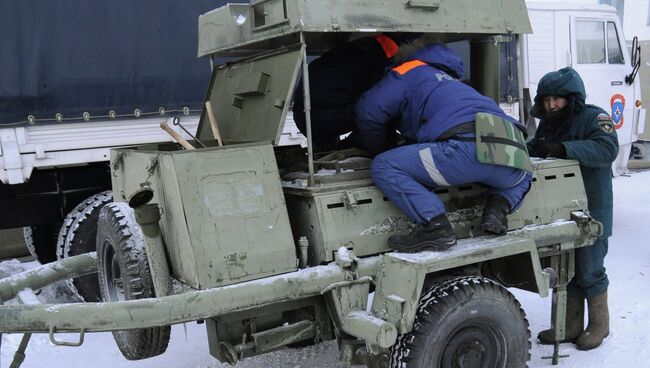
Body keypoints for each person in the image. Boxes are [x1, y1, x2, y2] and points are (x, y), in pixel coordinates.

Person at [355, 42, 533, 252]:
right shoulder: (454, 83)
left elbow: (368, 111)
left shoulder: (409, 70)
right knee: (523, 175)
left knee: (384, 165)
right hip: (514, 149)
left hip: (465, 150)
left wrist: (379, 147)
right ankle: (498, 208)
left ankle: (434, 227)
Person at [528, 67, 618, 350]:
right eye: (546, 100)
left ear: (572, 98)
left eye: (557, 99)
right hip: (559, 211)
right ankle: (568, 327)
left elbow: (606, 149)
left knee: (590, 268)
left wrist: (564, 149)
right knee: (564, 269)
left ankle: (599, 326)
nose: (551, 105)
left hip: (592, 209)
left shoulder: (595, 117)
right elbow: (540, 147)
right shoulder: (548, 123)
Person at [292, 34, 416, 151]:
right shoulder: (375, 57)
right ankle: (369, 145)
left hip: (302, 117)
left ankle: (326, 147)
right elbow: (378, 103)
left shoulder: (348, 52)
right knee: (386, 101)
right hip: (327, 116)